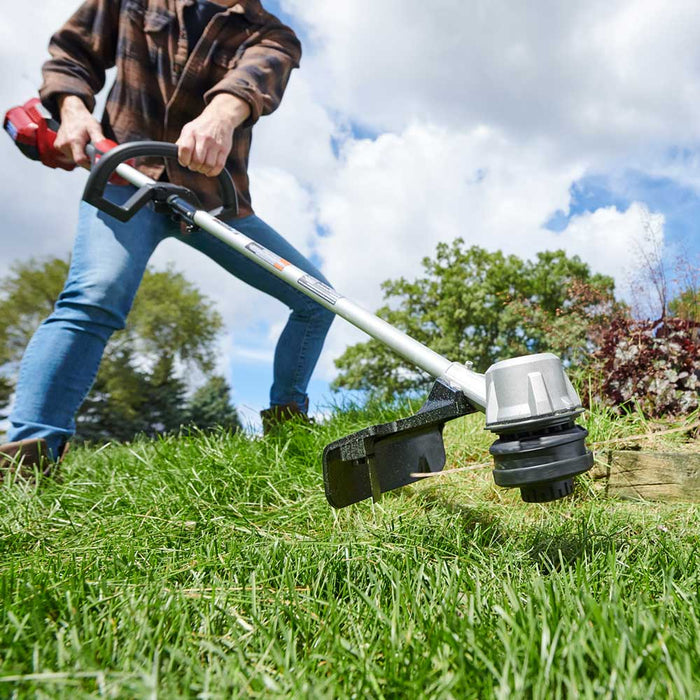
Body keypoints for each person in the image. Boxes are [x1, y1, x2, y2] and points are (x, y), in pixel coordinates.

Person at [0, 0, 334, 476]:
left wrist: (220, 116)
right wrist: (73, 111)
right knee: (95, 294)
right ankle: (29, 457)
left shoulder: (273, 34)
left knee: (316, 300)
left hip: (212, 200)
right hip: (125, 180)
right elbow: (72, 54)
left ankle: (288, 430)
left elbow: (251, 83)